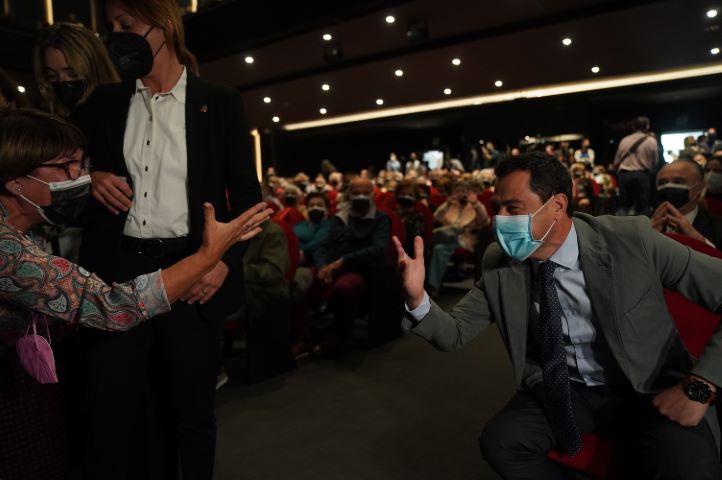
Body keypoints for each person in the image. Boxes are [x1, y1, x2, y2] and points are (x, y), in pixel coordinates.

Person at [394, 152, 722, 479]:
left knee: (690, 468)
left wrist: (700, 387)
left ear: (557, 205)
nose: (499, 220)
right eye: (497, 208)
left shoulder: (631, 240)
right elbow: (453, 333)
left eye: (513, 209)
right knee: (501, 442)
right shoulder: (500, 261)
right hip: (567, 389)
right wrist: (417, 297)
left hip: (647, 388)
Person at [0, 108, 270, 480]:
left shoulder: (26, 231)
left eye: (82, 165)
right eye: (66, 167)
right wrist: (208, 256)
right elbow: (113, 306)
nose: (81, 178)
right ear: (15, 180)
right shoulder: (6, 248)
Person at [74, 1, 262, 478]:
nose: (116, 35)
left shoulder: (219, 102)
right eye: (111, 27)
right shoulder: (104, 103)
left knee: (192, 414)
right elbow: (67, 175)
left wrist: (222, 262)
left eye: (127, 24)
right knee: (114, 409)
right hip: (118, 274)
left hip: (192, 271)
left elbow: (248, 201)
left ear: (164, 26)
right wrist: (91, 177)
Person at [313, 177, 391, 356]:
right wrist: (322, 267)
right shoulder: (338, 217)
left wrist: (342, 262)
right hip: (331, 265)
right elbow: (321, 246)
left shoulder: (380, 219)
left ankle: (340, 338)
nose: (361, 196)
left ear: (372, 194)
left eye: (365, 192)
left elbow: (377, 250)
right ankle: (302, 336)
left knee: (345, 287)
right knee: (300, 279)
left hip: (359, 268)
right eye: (356, 192)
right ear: (349, 194)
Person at [34, 22, 120, 117]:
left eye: (73, 74)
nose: (63, 83)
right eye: (52, 76)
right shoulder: (49, 120)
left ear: (97, 69)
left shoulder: (125, 115)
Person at [427, 181, 490, 296]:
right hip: (447, 240)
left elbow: (485, 221)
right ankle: (432, 286)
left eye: (463, 192)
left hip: (465, 239)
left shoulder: (475, 206)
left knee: (445, 236)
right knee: (439, 249)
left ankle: (432, 286)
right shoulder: (451, 205)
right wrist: (447, 204)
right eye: (457, 192)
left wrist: (475, 204)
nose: (460, 194)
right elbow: (436, 217)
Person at [652, 159, 722, 249]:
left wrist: (701, 243)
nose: (668, 186)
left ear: (699, 187)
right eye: (662, 182)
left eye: (678, 181)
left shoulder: (718, 228)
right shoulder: (641, 222)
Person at [613, 116, 658, 215]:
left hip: (624, 174)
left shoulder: (624, 140)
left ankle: (620, 223)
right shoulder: (651, 141)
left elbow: (616, 161)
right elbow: (655, 162)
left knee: (623, 205)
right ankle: (641, 224)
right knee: (643, 206)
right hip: (642, 175)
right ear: (647, 126)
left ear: (634, 127)